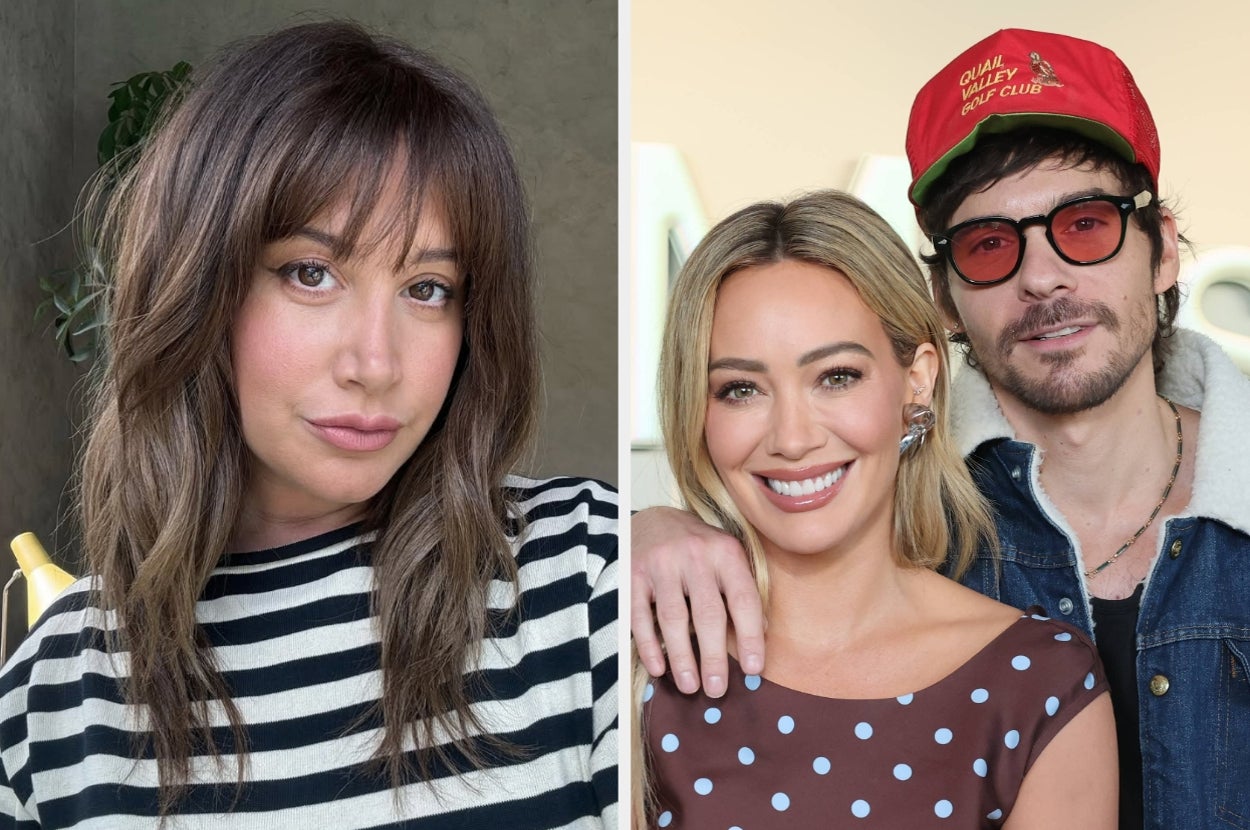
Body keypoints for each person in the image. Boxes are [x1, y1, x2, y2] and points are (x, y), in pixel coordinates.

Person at [0, 21, 617, 829]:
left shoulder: (582, 572)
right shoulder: (51, 698)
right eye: (311, 273)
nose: (376, 363)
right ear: (197, 288)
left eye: (428, 288)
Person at [631, 28, 1250, 830]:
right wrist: (640, 532)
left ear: (1162, 249)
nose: (1042, 278)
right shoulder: (881, 524)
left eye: (1086, 225)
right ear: (944, 296)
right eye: (989, 245)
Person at [635, 189, 1116, 828]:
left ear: (917, 380)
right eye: (741, 389)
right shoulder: (640, 651)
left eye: (836, 376)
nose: (792, 438)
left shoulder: (1042, 682)